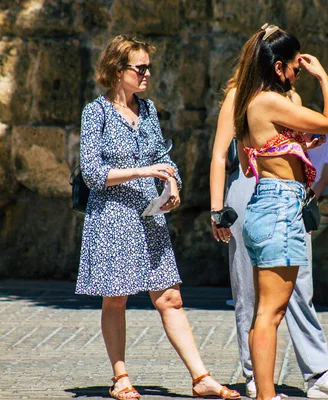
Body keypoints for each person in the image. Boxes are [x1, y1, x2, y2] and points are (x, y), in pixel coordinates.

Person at [75, 35, 240, 400]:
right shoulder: (96, 112)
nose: (148, 73)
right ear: (119, 71)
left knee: (170, 298)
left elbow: (162, 157)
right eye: (141, 67)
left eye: (149, 66)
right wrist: (141, 171)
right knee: (115, 298)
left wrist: (172, 183)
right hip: (113, 218)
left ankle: (201, 379)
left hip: (149, 218)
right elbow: (92, 172)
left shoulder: (148, 110)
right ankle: (120, 378)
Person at [209, 30, 328, 400]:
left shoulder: (252, 101)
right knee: (270, 312)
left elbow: (248, 161)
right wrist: (324, 77)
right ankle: (265, 394)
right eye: (296, 66)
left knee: (266, 309)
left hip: (272, 202)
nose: (299, 71)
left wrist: (292, 146)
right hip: (279, 207)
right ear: (277, 67)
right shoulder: (266, 100)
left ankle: (266, 390)